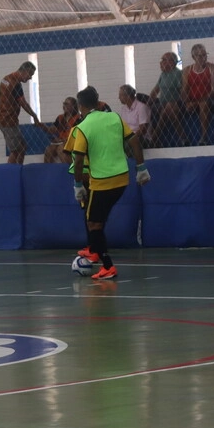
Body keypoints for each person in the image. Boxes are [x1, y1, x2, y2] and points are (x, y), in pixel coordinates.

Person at [65, 85, 151, 281]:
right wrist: (141, 168)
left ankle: (107, 266)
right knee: (98, 219)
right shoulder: (114, 117)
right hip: (122, 179)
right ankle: (95, 251)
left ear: (80, 106)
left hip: (102, 182)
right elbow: (135, 142)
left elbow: (78, 160)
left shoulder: (83, 127)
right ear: (98, 101)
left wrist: (78, 186)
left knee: (92, 223)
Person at [0, 61, 55, 164]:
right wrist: (35, 116)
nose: (30, 78)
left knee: (22, 147)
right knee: (15, 151)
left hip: (4, 118)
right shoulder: (16, 84)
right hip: (8, 121)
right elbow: (23, 104)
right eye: (30, 75)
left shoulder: (6, 79)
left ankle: (19, 169)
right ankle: (10, 172)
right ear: (25, 71)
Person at [181, 43, 214, 145]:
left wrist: (196, 103)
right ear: (193, 57)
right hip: (192, 101)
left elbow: (213, 91)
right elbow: (184, 90)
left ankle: (204, 138)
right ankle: (183, 139)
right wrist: (187, 103)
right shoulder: (187, 70)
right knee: (171, 106)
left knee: (203, 104)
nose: (204, 57)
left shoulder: (213, 68)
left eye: (205, 54)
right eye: (200, 55)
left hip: (210, 101)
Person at [148, 52, 187, 145]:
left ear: (172, 62)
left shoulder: (177, 73)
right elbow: (155, 90)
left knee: (168, 108)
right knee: (141, 98)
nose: (161, 63)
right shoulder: (163, 74)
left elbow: (182, 92)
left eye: (163, 60)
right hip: (162, 103)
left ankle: (154, 140)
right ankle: (183, 138)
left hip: (175, 103)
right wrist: (148, 102)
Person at [43, 97, 80, 164]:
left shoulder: (78, 118)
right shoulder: (60, 117)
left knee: (60, 149)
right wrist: (42, 126)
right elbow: (52, 130)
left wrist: (64, 140)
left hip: (71, 141)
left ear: (73, 106)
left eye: (67, 104)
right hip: (60, 141)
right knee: (49, 150)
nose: (64, 106)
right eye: (64, 103)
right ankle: (48, 171)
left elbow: (77, 135)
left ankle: (68, 170)